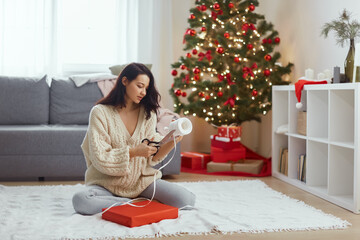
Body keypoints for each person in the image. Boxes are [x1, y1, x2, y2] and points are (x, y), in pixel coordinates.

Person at [72, 63, 196, 215]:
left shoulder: (148, 113)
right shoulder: (100, 112)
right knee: (81, 200)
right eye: (139, 86)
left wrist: (172, 142)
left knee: (186, 200)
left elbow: (152, 157)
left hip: (141, 182)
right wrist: (133, 152)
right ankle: (135, 204)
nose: (143, 92)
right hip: (105, 184)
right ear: (125, 81)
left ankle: (126, 205)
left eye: (146, 88)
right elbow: (100, 158)